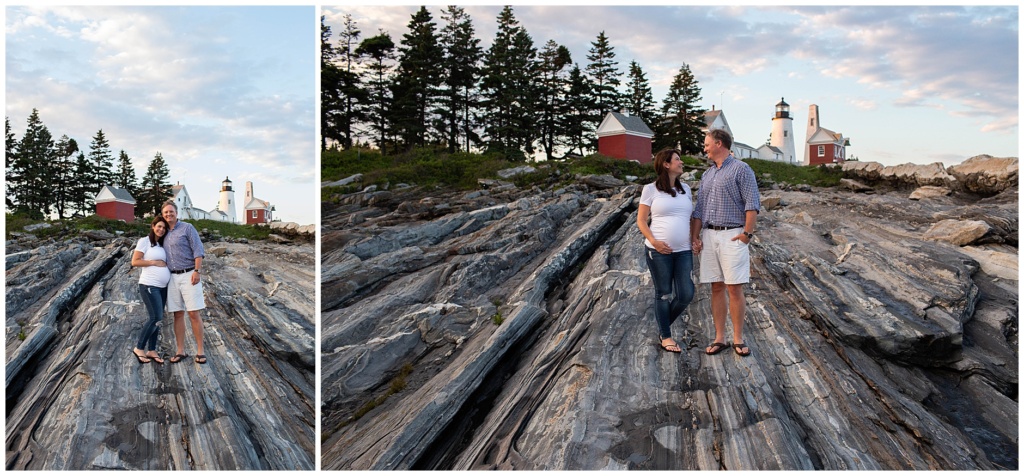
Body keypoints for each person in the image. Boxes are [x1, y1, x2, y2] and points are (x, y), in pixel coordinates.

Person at [690, 128, 760, 357]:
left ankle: (738, 338)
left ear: (719, 143)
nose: (705, 148)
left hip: (733, 234)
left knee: (734, 287)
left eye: (707, 144)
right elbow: (699, 209)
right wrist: (695, 237)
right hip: (710, 235)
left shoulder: (741, 169)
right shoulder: (707, 174)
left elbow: (752, 204)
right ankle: (720, 338)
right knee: (716, 286)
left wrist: (747, 234)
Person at [637, 148, 696, 353]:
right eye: (677, 159)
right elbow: (641, 220)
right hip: (658, 251)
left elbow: (690, 218)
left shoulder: (686, 189)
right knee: (663, 294)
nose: (682, 162)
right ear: (666, 164)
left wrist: (695, 239)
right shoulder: (650, 189)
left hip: (684, 250)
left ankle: (662, 327)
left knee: (686, 294)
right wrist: (654, 241)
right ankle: (666, 336)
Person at [160, 200, 209, 364]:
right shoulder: (162, 232)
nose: (169, 214)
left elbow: (198, 250)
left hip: (189, 274)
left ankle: (200, 351)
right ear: (163, 215)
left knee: (193, 313)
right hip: (172, 277)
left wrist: (197, 271)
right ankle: (180, 350)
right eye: (166, 212)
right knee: (178, 314)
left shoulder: (187, 228)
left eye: (171, 211)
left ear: (176, 212)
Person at [131, 216, 171, 364]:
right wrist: (154, 262)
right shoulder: (144, 241)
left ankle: (152, 349)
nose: (161, 229)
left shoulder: (162, 244)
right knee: (155, 317)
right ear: (153, 226)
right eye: (159, 226)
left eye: (164, 228)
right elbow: (135, 261)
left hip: (162, 287)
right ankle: (139, 348)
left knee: (159, 319)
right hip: (149, 285)